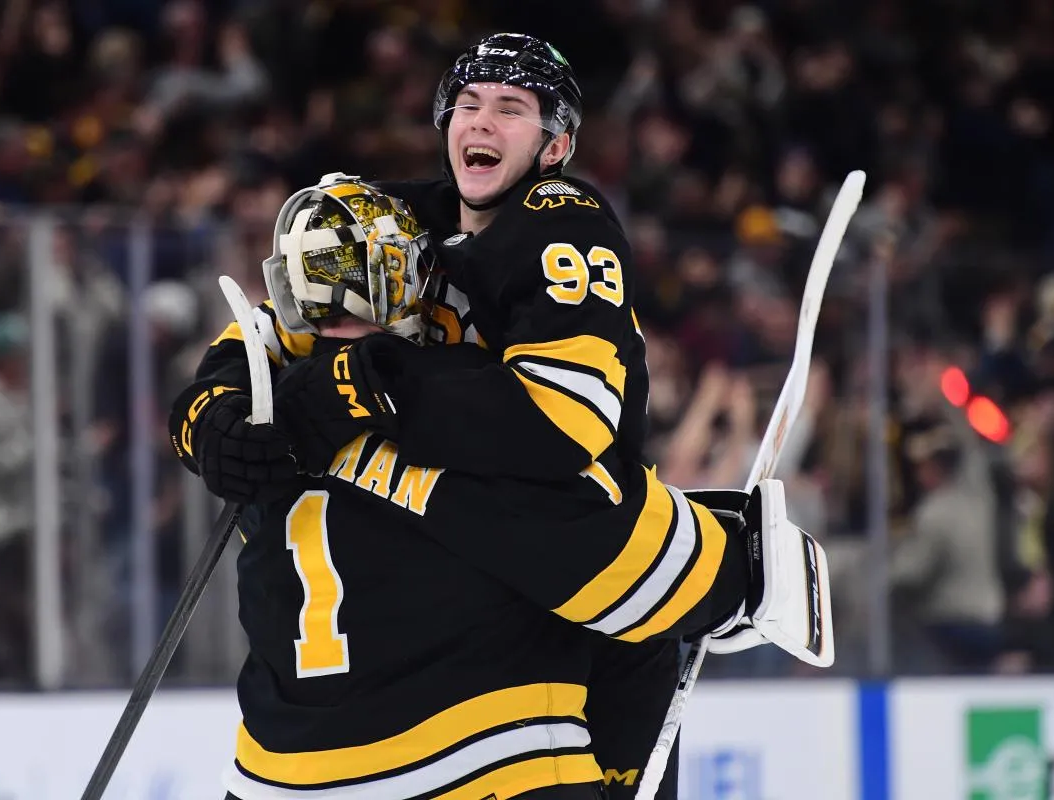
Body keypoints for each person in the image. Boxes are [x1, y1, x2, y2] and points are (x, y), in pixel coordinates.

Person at [170, 179, 832, 800]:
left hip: (273, 776)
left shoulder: (257, 420)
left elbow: (228, 369)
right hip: (472, 762)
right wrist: (734, 570)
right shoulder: (452, 406)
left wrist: (200, 416)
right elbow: (612, 562)